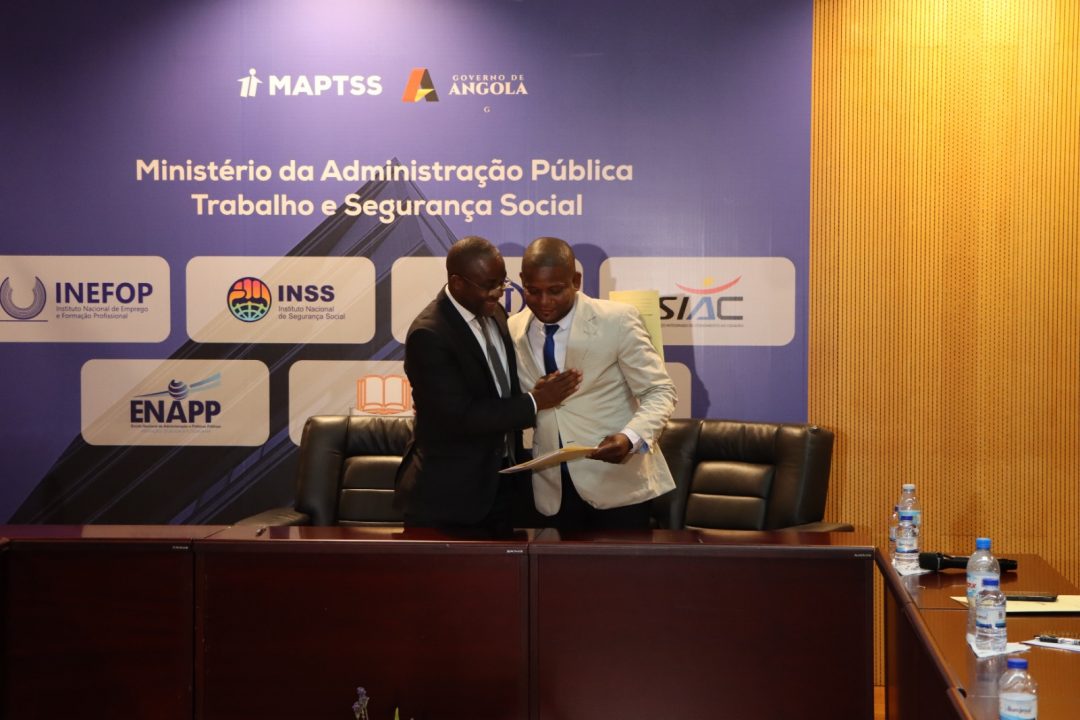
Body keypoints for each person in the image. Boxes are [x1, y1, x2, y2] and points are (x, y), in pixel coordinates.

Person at [395, 236, 581, 532]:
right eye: (488, 285)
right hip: (448, 499)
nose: (498, 293)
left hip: (502, 488)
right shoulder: (429, 334)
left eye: (501, 282)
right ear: (457, 283)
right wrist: (535, 401)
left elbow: (501, 387)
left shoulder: (493, 311)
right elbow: (459, 417)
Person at [508, 236, 677, 531]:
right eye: (533, 291)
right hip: (550, 491)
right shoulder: (513, 328)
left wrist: (630, 438)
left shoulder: (617, 320)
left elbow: (659, 391)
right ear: (522, 281)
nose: (544, 302)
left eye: (555, 290)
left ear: (576, 280)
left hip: (616, 486)